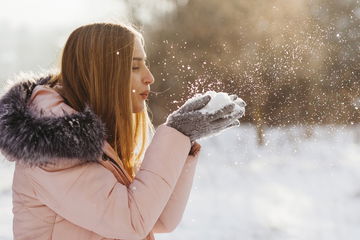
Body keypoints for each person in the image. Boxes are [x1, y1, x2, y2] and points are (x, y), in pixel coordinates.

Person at [0, 23, 243, 240]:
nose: (150, 77)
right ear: (102, 72)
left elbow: (158, 219)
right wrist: (174, 133)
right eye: (135, 67)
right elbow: (131, 221)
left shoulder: (93, 140)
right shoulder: (54, 149)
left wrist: (183, 139)